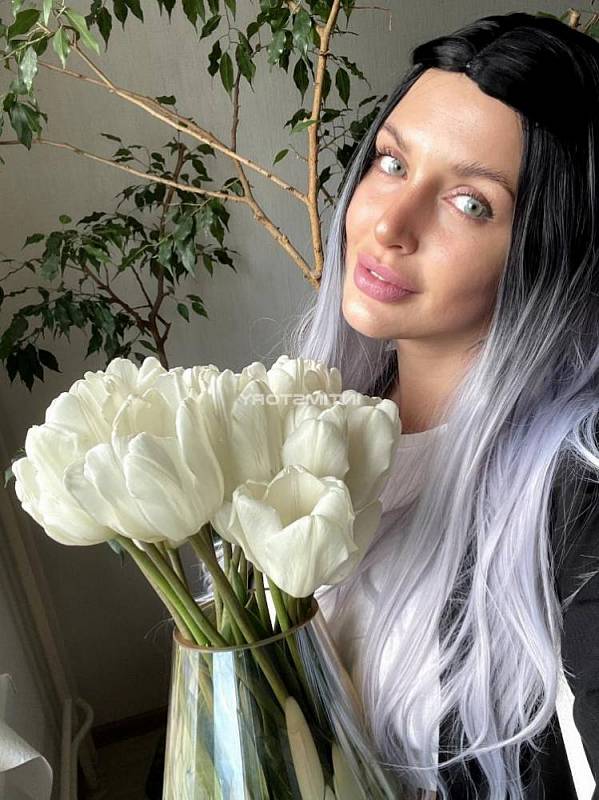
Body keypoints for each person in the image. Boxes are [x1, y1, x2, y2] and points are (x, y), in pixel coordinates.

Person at [284, 11, 599, 800]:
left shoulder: (577, 500)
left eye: (470, 203)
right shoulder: (301, 423)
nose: (387, 224)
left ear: (554, 249)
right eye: (391, 162)